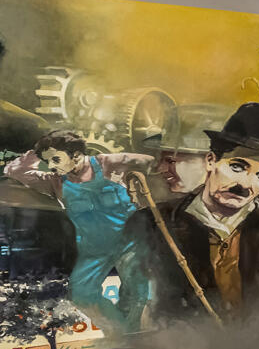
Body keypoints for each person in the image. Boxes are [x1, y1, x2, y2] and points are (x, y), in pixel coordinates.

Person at [127, 102, 259, 324]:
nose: (245, 184)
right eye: (237, 167)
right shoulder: (152, 223)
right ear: (211, 160)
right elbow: (134, 305)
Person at [3, 129, 153, 330]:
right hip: (94, 250)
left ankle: (134, 333)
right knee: (80, 294)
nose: (53, 167)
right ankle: (121, 331)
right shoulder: (55, 182)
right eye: (50, 162)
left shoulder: (107, 163)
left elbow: (149, 161)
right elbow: (13, 172)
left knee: (137, 291)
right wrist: (37, 149)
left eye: (56, 159)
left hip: (130, 243)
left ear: (75, 154)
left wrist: (138, 189)